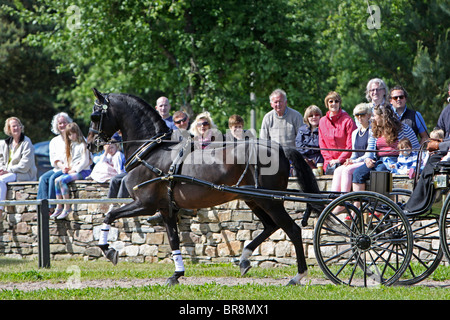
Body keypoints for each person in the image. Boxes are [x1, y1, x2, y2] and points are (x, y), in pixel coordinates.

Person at [352, 105, 420, 192]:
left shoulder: (403, 129)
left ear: (382, 116)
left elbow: (416, 149)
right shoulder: (374, 130)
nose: (372, 118)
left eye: (374, 115)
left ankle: (380, 203)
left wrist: (408, 163)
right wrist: (368, 159)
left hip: (396, 161)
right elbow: (370, 151)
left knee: (380, 171)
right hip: (378, 160)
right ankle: (358, 203)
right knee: (358, 173)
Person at [51, 123, 92, 219]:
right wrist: (66, 167)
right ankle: (59, 205)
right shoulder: (70, 146)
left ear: (77, 133)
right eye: (69, 134)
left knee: (62, 180)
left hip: (83, 172)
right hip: (73, 170)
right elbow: (68, 159)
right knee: (56, 180)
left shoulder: (83, 145)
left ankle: (67, 206)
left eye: (73, 133)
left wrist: (75, 170)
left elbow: (85, 161)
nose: (71, 136)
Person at [0, 117, 37, 218]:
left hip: (24, 174)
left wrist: (7, 170)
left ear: (21, 127)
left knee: (1, 180)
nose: (16, 128)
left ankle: (0, 209)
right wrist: (2, 169)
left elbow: (24, 166)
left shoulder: (26, 142)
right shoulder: (5, 143)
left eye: (17, 126)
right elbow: (2, 160)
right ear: (9, 129)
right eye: (13, 126)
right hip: (9, 173)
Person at [331, 103, 372, 193]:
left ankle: (343, 200)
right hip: (357, 161)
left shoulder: (372, 131)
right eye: (357, 115)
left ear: (368, 115)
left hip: (367, 162)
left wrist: (353, 161)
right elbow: (354, 154)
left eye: (362, 114)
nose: (360, 117)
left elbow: (369, 154)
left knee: (347, 170)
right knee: (338, 170)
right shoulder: (355, 133)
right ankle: (333, 200)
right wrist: (350, 160)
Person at [37, 112, 73, 214]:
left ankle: (51, 207)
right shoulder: (54, 141)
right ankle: (41, 207)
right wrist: (61, 166)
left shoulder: (74, 137)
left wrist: (66, 167)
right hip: (59, 168)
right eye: (60, 123)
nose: (62, 125)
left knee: (53, 178)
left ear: (68, 123)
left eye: (64, 123)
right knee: (43, 178)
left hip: (70, 168)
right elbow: (54, 159)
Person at [318, 91, 357, 175]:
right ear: (327, 104)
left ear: (340, 103)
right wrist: (330, 160)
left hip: (345, 164)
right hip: (329, 165)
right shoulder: (322, 121)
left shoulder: (348, 121)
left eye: (336, 101)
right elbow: (322, 145)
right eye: (331, 101)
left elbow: (351, 145)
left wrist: (339, 160)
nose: (333, 103)